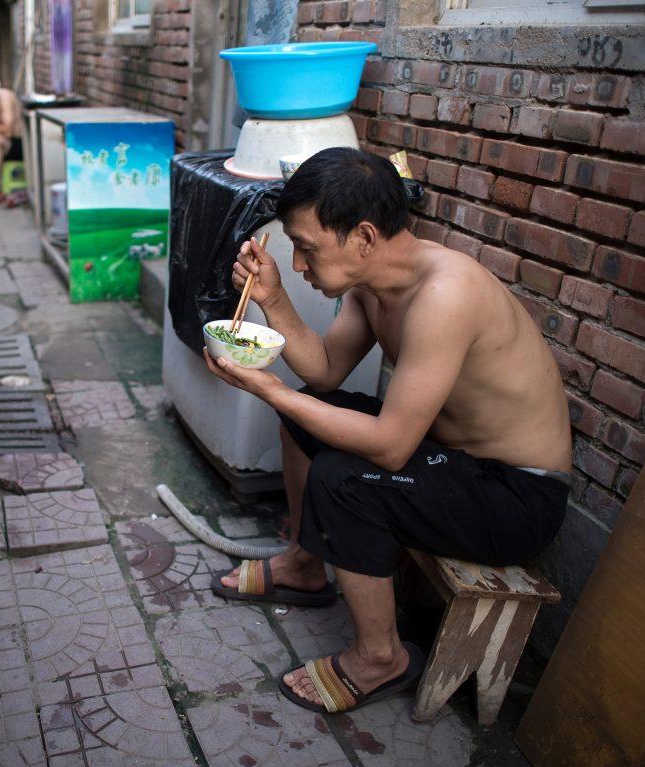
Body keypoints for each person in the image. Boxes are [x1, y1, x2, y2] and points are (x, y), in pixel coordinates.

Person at [205, 148, 572, 714]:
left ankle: (381, 659)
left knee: (345, 478)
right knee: (311, 412)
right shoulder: (373, 286)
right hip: (454, 464)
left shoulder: (444, 294)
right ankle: (305, 567)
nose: (300, 264)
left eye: (307, 248)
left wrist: (268, 388)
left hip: (516, 497)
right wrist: (273, 299)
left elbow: (391, 447)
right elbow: (325, 370)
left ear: (365, 237)